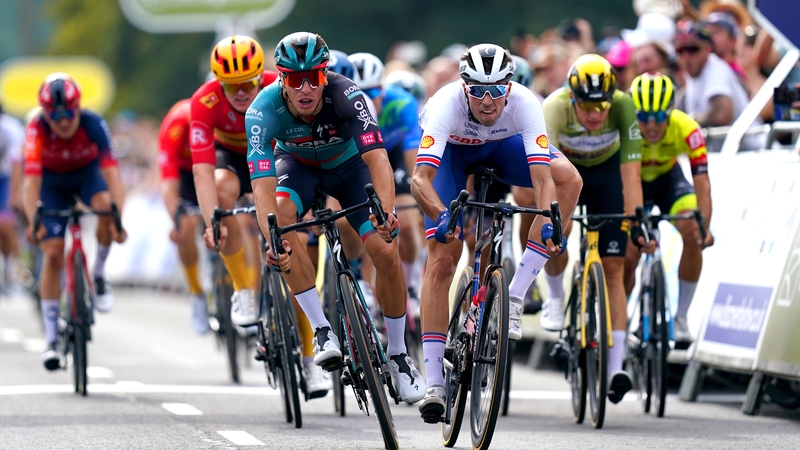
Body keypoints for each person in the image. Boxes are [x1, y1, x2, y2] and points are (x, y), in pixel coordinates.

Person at [245, 32, 425, 403]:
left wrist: (386, 214)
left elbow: (378, 159)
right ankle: (322, 329)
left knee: (386, 251)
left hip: (349, 168)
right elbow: (261, 183)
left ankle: (398, 354)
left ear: (326, 74)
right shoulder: (262, 111)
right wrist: (271, 238)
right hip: (298, 168)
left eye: (314, 77)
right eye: (296, 80)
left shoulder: (347, 94)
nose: (306, 87)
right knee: (281, 221)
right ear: (282, 79)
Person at [411, 43, 582, 419]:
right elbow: (420, 180)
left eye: (496, 90)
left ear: (509, 86)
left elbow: (542, 178)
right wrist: (443, 216)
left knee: (569, 179)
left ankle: (515, 295)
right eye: (477, 90)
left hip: (502, 148)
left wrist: (552, 219)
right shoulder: (445, 105)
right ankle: (434, 380)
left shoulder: (525, 102)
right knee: (442, 258)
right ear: (464, 86)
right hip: (453, 156)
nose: (487, 101)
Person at [539, 54, 653, 404]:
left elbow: (631, 174)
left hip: (606, 176)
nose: (594, 114)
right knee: (556, 240)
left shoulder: (623, 105)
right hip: (565, 173)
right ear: (573, 97)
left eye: (601, 106)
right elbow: (544, 172)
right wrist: (551, 220)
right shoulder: (554, 107)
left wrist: (635, 221)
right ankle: (556, 298)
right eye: (587, 106)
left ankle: (616, 367)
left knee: (615, 268)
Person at [23, 73, 127, 370]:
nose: (64, 121)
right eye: (55, 116)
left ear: (78, 107)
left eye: (69, 113)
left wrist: (118, 217)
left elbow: (112, 175)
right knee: (53, 252)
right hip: (51, 185)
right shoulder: (37, 128)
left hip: (86, 176)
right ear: (45, 114)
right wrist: (34, 221)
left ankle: (98, 273)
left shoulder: (94, 123)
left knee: (106, 207)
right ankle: (52, 338)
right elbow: (31, 184)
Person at [189, 35, 278, 326]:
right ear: (218, 82)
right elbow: (202, 171)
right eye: (230, 85)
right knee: (219, 190)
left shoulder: (278, 86)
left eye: (247, 83)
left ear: (259, 78)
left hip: (274, 148)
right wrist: (211, 223)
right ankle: (242, 288)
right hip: (231, 156)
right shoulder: (204, 101)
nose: (240, 92)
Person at [625, 72, 714, 345]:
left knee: (692, 231)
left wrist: (705, 228)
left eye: (660, 117)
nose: (651, 125)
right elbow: (625, 180)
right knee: (628, 253)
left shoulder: (688, 128)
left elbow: (702, 183)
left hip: (668, 182)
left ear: (671, 111)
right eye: (644, 116)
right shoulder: (623, 127)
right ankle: (616, 320)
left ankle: (682, 318)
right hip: (633, 180)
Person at [348, 52, 425, 317]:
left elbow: (414, 158)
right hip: (358, 157)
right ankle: (362, 279)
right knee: (364, 221)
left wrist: (420, 191)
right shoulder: (344, 106)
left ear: (383, 88)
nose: (367, 100)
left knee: (406, 215)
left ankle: (412, 282)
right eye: (359, 92)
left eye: (372, 93)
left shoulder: (402, 102)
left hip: (393, 155)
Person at [158, 99, 209, 334]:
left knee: (236, 218)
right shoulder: (175, 126)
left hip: (212, 166)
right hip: (185, 173)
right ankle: (197, 292)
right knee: (185, 227)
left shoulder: (216, 121)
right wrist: (176, 218)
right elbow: (168, 183)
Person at [673, 21, 757, 151]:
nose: (686, 56)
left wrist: (688, 123)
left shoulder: (715, 69)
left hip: (756, 150)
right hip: (731, 154)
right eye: (680, 50)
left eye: (692, 49)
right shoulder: (691, 76)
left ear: (708, 49)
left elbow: (722, 114)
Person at [0, 102, 25, 294]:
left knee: (5, 224)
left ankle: (14, 267)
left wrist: (14, 196)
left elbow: (17, 165)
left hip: (7, 176)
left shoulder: (10, 128)